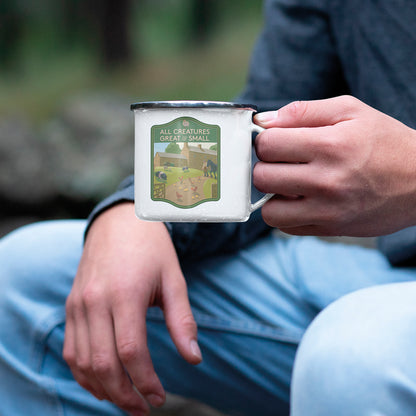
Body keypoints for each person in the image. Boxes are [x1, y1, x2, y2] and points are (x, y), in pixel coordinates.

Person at [1, 0, 416, 415]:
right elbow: (264, 121)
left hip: (365, 325)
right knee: (26, 275)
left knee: (352, 356)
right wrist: (141, 210)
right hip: (378, 276)